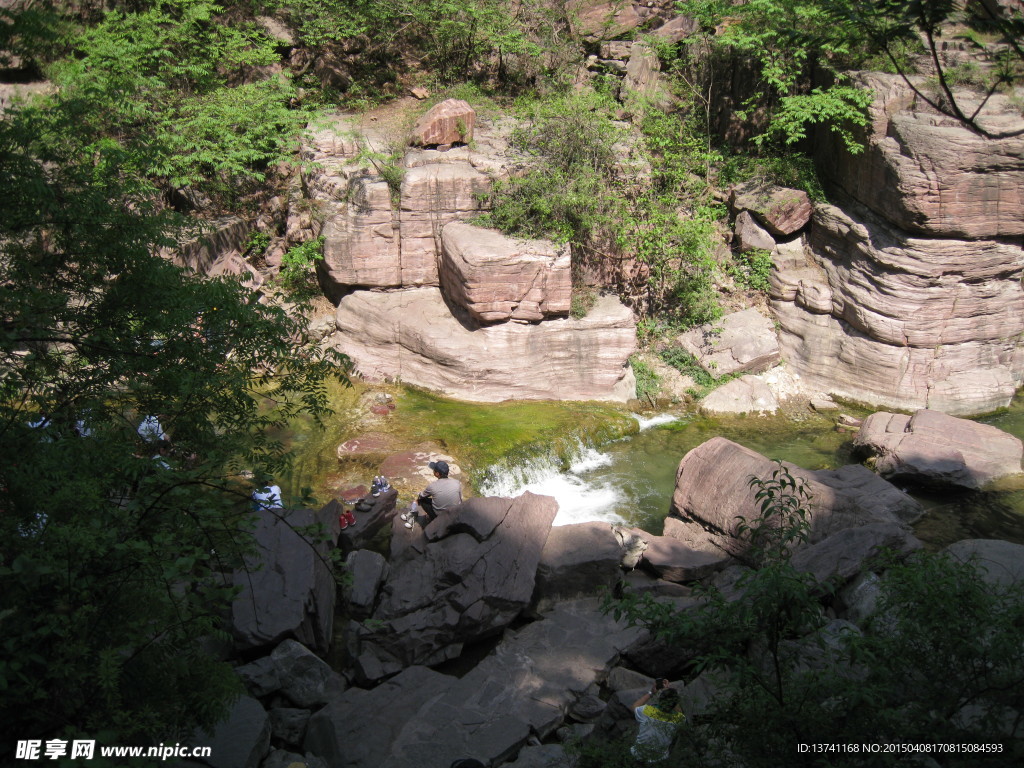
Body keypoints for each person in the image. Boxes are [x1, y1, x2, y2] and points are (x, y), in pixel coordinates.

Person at [630, 678, 684, 763]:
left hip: (638, 755)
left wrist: (651, 693)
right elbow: (680, 713)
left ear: (660, 699)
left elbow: (634, 707)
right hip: (659, 760)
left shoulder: (647, 711)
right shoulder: (678, 719)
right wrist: (671, 694)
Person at [402, 460, 461, 529]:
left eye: (434, 470)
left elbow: (421, 496)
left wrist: (417, 500)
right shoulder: (457, 483)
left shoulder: (433, 486)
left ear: (437, 474)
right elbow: (460, 500)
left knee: (422, 500)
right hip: (454, 515)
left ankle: (412, 515)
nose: (433, 471)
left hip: (439, 517)